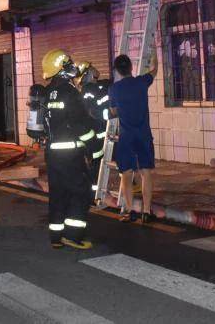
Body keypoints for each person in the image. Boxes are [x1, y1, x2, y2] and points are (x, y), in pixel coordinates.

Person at [41, 49, 96, 250]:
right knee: (82, 192)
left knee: (58, 194)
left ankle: (56, 237)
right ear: (62, 69)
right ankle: (72, 235)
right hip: (71, 154)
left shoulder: (47, 92)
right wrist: (93, 145)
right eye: (69, 64)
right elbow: (80, 124)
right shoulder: (70, 92)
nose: (73, 66)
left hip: (52, 154)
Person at [108, 50, 159, 224]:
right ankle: (146, 211)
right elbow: (154, 70)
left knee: (126, 174)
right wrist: (154, 55)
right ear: (131, 67)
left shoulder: (114, 89)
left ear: (117, 70)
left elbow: (113, 111)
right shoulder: (141, 82)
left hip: (126, 136)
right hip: (143, 134)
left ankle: (130, 211)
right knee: (146, 172)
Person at [76, 62, 110, 197]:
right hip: (96, 134)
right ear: (87, 74)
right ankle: (94, 193)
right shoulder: (88, 90)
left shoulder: (96, 86)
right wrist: (108, 115)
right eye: (91, 68)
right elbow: (92, 112)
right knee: (96, 163)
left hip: (101, 132)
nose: (94, 69)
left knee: (101, 161)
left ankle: (96, 191)